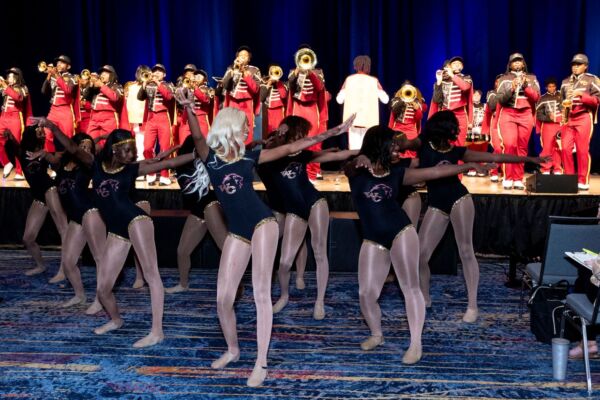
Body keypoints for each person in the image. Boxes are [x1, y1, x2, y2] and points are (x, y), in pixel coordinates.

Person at [178, 87, 354, 386]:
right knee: (223, 299)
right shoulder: (210, 157)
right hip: (238, 230)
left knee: (261, 293)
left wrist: (336, 130)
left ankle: (262, 362)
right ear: (230, 127)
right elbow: (197, 137)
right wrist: (189, 109)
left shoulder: (250, 157)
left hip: (263, 224)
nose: (249, 130)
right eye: (244, 126)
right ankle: (233, 350)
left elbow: (292, 147)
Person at [39, 118, 199, 348]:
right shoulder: (94, 165)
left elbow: (171, 164)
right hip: (116, 230)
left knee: (152, 275)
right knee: (103, 289)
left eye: (133, 150)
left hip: (136, 221)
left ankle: (157, 331)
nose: (132, 154)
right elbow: (73, 149)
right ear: (114, 150)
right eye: (127, 150)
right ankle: (116, 320)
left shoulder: (133, 169)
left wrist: (197, 155)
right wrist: (53, 128)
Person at [345, 125, 493, 364]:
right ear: (379, 145)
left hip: (401, 232)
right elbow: (349, 165)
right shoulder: (356, 170)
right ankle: (376, 334)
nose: (397, 148)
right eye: (392, 144)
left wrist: (466, 166)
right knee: (365, 293)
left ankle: (415, 343)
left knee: (410, 288)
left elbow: (434, 173)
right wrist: (360, 157)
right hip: (373, 238)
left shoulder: (398, 173)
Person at [404, 111, 547, 323]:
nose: (456, 131)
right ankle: (424, 297)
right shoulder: (422, 145)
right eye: (453, 127)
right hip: (436, 204)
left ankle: (473, 305)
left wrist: (530, 159)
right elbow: (400, 143)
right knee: (421, 255)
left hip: (459, 199)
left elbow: (496, 156)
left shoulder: (459, 151)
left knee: (466, 251)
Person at [267, 116, 359, 320]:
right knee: (284, 263)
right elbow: (265, 146)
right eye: (301, 133)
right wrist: (278, 134)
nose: (304, 137)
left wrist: (361, 151)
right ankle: (283, 296)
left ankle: (319, 301)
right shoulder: (268, 155)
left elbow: (336, 157)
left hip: (315, 202)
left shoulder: (302, 154)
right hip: (294, 210)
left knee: (319, 252)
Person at [26, 131, 107, 309]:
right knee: (69, 262)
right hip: (76, 218)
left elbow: (75, 151)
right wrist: (42, 153)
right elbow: (54, 156)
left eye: (89, 148)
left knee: (99, 259)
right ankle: (79, 295)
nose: (86, 151)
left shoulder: (88, 164)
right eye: (83, 147)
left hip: (90, 213)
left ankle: (101, 299)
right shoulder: (63, 164)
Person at [4, 125, 68, 280]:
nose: (43, 135)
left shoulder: (44, 153)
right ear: (32, 136)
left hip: (49, 190)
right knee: (28, 238)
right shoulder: (22, 152)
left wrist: (45, 154)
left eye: (42, 133)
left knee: (63, 231)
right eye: (39, 133)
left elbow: (61, 156)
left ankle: (64, 269)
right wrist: (10, 136)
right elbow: (13, 144)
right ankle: (40, 265)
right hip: (39, 196)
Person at [165, 135, 228, 293]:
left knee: (226, 248)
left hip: (210, 204)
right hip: (197, 209)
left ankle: (234, 284)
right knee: (182, 250)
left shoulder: (206, 162)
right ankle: (183, 284)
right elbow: (162, 163)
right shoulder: (179, 164)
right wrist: (164, 154)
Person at [496, 53, 541, 189]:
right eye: (514, 61)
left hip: (526, 114)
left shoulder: (532, 78)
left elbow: (536, 98)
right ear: (509, 65)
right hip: (508, 114)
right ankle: (508, 177)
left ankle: (518, 178)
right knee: (510, 145)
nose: (516, 63)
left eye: (519, 61)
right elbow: (501, 100)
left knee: (522, 148)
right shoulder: (504, 78)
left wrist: (526, 85)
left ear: (523, 64)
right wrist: (512, 87)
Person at [287, 45, 329, 181]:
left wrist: (310, 73)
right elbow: (290, 86)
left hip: (312, 108)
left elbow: (320, 87)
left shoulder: (318, 72)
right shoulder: (293, 72)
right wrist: (296, 73)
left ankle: (314, 170)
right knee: (297, 138)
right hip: (298, 107)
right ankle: (298, 169)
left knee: (313, 139)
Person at [560, 53, 600, 190]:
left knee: (582, 150)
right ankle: (569, 179)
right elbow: (561, 101)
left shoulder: (592, 80)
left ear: (586, 66)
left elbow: (596, 101)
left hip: (583, 117)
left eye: (579, 64)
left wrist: (581, 95)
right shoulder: (565, 81)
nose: (575, 67)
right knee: (565, 149)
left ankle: (583, 181)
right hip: (568, 118)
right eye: (573, 64)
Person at [336, 55, 389, 150]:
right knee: (368, 150)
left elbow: (339, 100)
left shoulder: (349, 80)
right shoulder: (374, 81)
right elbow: (385, 100)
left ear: (355, 66)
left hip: (352, 122)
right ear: (368, 66)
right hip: (370, 123)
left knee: (354, 151)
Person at [138, 63, 175, 186]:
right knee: (147, 147)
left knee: (164, 148)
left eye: (160, 71)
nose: (156, 73)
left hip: (164, 117)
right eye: (155, 71)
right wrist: (144, 84)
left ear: (164, 74)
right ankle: (151, 173)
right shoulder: (148, 84)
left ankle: (165, 176)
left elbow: (168, 97)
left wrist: (158, 84)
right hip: (151, 118)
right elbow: (140, 97)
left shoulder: (169, 85)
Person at [429, 56, 473, 146]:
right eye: (454, 64)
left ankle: (459, 160)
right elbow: (436, 100)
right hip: (445, 114)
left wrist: (452, 75)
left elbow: (465, 87)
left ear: (462, 67)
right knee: (445, 141)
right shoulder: (443, 80)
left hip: (460, 114)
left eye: (459, 64)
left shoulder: (466, 78)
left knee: (460, 141)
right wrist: (438, 82)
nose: (457, 66)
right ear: (449, 66)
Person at [221, 46, 261, 142]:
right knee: (232, 129)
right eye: (240, 55)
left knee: (246, 129)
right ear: (237, 57)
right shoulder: (230, 68)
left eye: (245, 56)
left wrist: (245, 74)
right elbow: (225, 85)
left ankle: (247, 151)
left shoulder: (254, 70)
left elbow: (255, 89)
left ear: (249, 58)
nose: (242, 57)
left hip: (247, 103)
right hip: (233, 102)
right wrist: (232, 72)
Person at [40, 55, 80, 152]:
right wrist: (48, 77)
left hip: (66, 110)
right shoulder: (54, 77)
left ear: (68, 67)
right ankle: (51, 160)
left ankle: (70, 162)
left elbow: (68, 90)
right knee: (46, 134)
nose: (58, 64)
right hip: (53, 110)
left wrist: (57, 76)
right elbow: (43, 91)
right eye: (58, 62)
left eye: (62, 62)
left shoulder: (73, 77)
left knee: (68, 138)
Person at [82, 65, 128, 148]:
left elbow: (115, 98)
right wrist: (91, 85)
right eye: (102, 73)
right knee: (90, 141)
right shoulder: (96, 87)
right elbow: (85, 96)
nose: (102, 74)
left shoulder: (117, 86)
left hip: (109, 118)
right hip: (94, 117)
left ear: (112, 75)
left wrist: (102, 85)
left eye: (106, 73)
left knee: (108, 143)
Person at [0, 67, 32, 180]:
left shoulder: (23, 88)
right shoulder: (6, 87)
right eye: (8, 76)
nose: (9, 78)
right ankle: (6, 163)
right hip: (3, 116)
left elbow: (18, 97)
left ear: (18, 77)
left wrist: (5, 87)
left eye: (12, 76)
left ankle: (20, 171)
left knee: (17, 145)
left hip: (15, 117)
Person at [388, 81, 427, 159]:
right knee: (397, 149)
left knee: (412, 152)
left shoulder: (417, 102)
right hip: (398, 129)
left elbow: (419, 118)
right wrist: (402, 100)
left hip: (411, 130)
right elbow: (393, 114)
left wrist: (417, 109)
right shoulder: (396, 101)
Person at [535, 78, 563, 175]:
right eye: (549, 86)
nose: (552, 88)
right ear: (546, 87)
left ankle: (557, 168)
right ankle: (545, 168)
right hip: (547, 126)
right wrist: (549, 118)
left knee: (558, 148)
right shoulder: (542, 98)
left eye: (553, 86)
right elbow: (538, 115)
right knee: (547, 147)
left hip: (560, 125)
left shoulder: (561, 96)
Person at [260, 65, 288, 134]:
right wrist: (268, 84)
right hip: (267, 110)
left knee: (279, 129)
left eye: (276, 71)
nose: (274, 73)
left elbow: (284, 96)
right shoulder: (263, 85)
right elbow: (261, 98)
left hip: (279, 111)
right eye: (272, 71)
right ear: (269, 73)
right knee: (268, 130)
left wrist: (278, 83)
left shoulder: (282, 85)